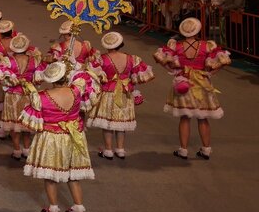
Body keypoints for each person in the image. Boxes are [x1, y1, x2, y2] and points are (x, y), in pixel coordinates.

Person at [20, 61, 100, 212]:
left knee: (50, 176)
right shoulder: (76, 90)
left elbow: (30, 122)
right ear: (66, 77)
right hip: (73, 136)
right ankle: (79, 208)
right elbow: (87, 78)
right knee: (73, 175)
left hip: (51, 137)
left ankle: (53, 209)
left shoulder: (41, 97)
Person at [153, 17, 231, 160]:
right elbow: (223, 61)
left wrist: (174, 72)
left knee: (185, 117)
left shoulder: (176, 46)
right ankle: (206, 150)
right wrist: (209, 74)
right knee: (203, 117)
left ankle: (183, 150)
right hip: (202, 83)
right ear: (198, 31)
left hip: (183, 82)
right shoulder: (207, 46)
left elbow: (163, 61)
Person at [86, 31, 155, 159]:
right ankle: (120, 149)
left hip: (108, 93)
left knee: (107, 123)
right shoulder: (132, 58)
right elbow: (139, 76)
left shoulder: (102, 59)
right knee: (121, 122)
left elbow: (94, 75)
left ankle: (108, 150)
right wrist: (134, 89)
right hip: (125, 92)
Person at [0, 34, 44, 161]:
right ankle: (26, 150)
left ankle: (16, 150)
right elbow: (39, 79)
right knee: (26, 123)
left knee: (14, 124)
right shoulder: (34, 60)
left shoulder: (7, 61)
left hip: (13, 96)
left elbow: (1, 78)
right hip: (28, 94)